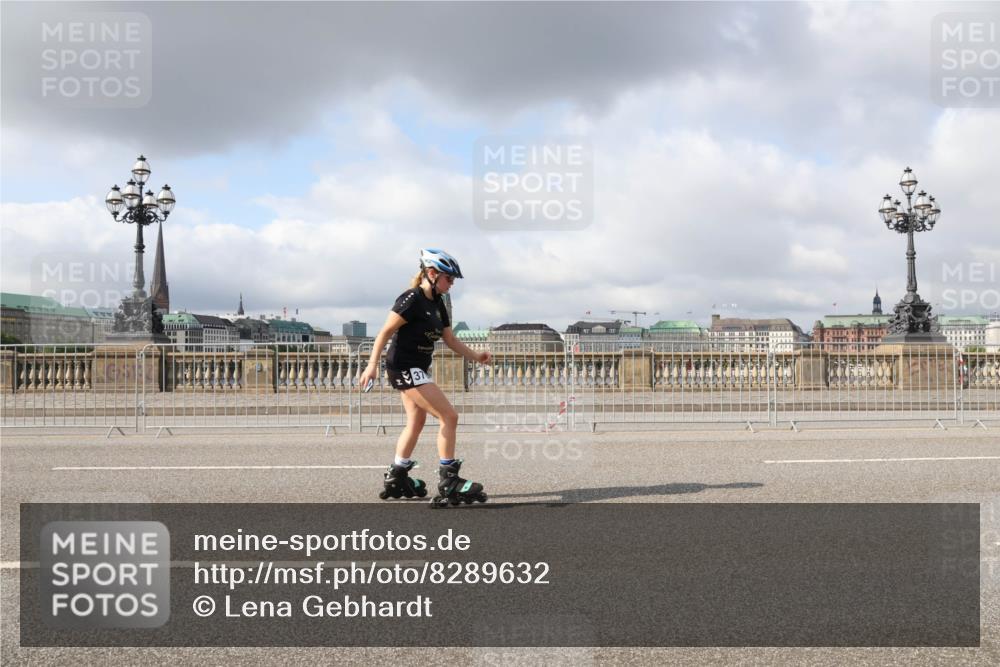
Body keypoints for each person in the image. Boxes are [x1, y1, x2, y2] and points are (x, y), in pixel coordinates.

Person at [359, 249, 492, 507]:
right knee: (449, 417)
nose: (451, 284)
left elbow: (450, 340)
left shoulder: (438, 303)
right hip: (404, 367)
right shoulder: (411, 299)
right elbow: (385, 332)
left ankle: (397, 474)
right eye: (449, 279)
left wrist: (476, 356)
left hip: (417, 368)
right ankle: (448, 480)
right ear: (432, 274)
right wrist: (371, 366)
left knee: (416, 422)